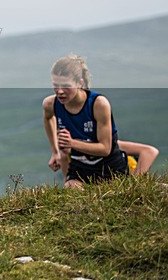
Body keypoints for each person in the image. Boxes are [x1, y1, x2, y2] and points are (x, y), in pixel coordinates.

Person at [43, 54, 159, 187]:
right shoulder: (50, 104)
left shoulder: (98, 104)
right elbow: (48, 118)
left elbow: (105, 149)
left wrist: (72, 143)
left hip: (110, 169)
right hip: (80, 169)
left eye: (65, 85)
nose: (60, 91)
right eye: (55, 85)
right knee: (72, 196)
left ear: (80, 83)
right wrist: (55, 151)